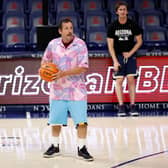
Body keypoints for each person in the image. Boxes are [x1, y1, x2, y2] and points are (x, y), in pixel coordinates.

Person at [41, 18, 94, 161]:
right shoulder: (53, 44)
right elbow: (45, 61)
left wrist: (63, 73)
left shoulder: (80, 45)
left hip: (77, 90)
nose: (69, 31)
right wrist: (45, 70)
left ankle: (82, 148)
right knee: (55, 121)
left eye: (71, 28)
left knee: (81, 121)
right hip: (57, 90)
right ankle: (55, 146)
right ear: (60, 31)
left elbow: (83, 67)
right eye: (66, 28)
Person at [107, 1, 143, 117]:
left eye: (124, 9)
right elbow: (110, 46)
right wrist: (115, 61)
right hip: (118, 56)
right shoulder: (112, 26)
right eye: (120, 9)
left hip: (130, 56)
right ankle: (121, 106)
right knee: (119, 81)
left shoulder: (133, 24)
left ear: (127, 11)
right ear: (117, 12)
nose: (122, 11)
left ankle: (133, 106)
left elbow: (139, 41)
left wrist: (130, 53)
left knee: (131, 80)